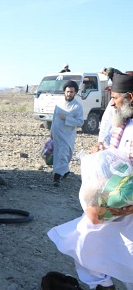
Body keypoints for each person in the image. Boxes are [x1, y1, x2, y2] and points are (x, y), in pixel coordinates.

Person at [47, 73, 133, 290]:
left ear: (130, 97)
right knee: (85, 240)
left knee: (125, 254)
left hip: (126, 203)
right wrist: (103, 152)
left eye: (115, 97)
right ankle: (102, 285)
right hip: (114, 198)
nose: (111, 102)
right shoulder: (122, 120)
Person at [50, 80, 84, 186]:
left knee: (64, 155)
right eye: (68, 91)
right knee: (58, 155)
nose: (69, 94)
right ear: (64, 91)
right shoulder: (59, 103)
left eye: (72, 92)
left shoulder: (77, 107)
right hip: (56, 134)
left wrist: (67, 118)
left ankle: (60, 173)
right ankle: (57, 177)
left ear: (75, 93)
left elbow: (80, 122)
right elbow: (54, 118)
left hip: (67, 136)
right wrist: (51, 131)